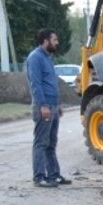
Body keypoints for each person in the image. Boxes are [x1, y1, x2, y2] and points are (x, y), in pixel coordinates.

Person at [26, 28, 69, 188]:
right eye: (54, 40)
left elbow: (51, 83)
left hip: (52, 106)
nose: (57, 43)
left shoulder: (47, 58)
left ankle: (54, 175)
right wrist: (43, 105)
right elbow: (35, 84)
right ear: (45, 41)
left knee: (51, 143)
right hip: (43, 107)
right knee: (41, 143)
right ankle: (39, 177)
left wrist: (57, 105)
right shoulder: (35, 58)